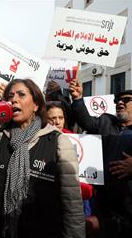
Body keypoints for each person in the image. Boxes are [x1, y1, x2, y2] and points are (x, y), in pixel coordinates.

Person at [0, 79, 85, 238]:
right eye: (10, 96)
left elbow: (72, 204)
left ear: (36, 105)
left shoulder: (58, 141)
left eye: (21, 95)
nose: (14, 99)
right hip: (0, 230)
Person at [69, 78, 132, 238]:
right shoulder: (106, 122)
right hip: (106, 214)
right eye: (118, 100)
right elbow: (86, 121)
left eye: (127, 100)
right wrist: (77, 98)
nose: (120, 102)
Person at [46, 101, 100, 237]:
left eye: (60, 117)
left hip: (77, 200)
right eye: (52, 118)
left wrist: (85, 187)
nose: (57, 122)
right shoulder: (39, 140)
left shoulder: (78, 139)